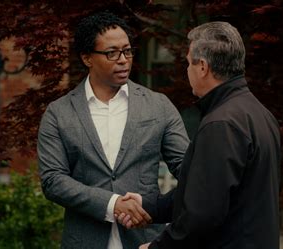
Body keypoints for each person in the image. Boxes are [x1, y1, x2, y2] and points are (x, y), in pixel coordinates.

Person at [122, 21, 281, 249]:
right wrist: (150, 206)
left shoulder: (221, 124)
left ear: (203, 67)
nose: (187, 70)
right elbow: (205, 191)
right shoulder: (259, 114)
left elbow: (203, 213)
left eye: (188, 64)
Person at [37, 11, 189, 249]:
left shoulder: (159, 105)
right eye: (112, 53)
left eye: (127, 51)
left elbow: (190, 170)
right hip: (84, 241)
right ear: (87, 58)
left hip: (147, 240)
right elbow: (53, 180)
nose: (123, 59)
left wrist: (168, 213)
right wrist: (112, 203)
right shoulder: (59, 113)